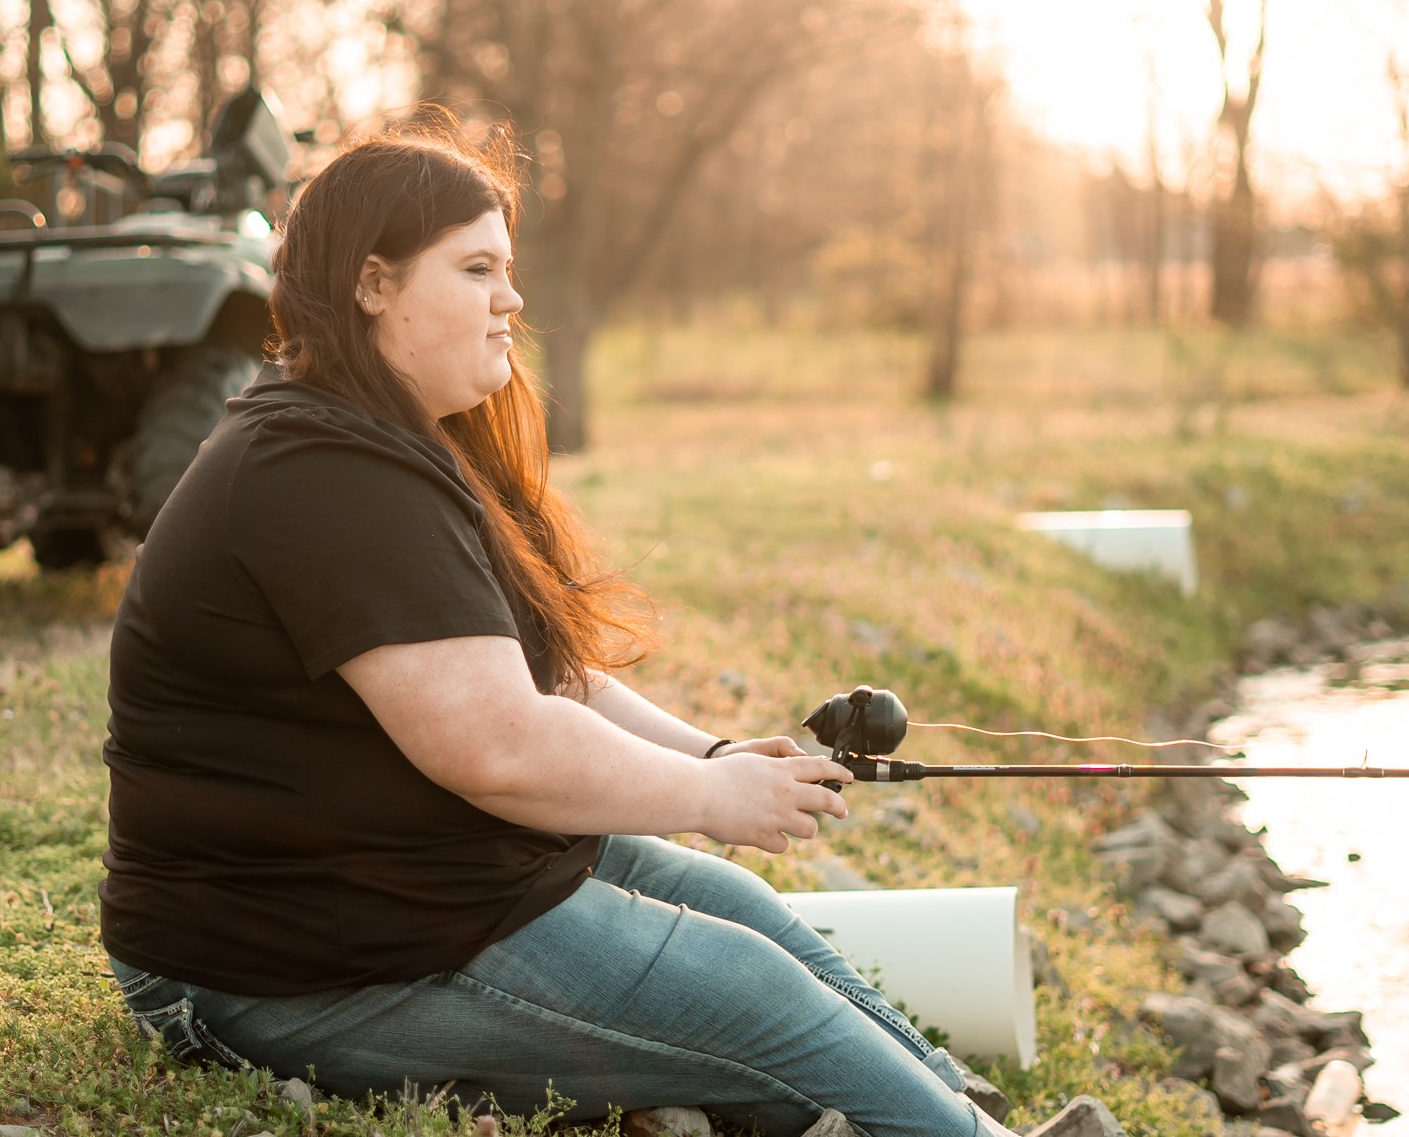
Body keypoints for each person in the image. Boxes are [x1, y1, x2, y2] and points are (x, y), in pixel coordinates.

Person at [100, 118, 1017, 1137]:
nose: (511, 299)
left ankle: (958, 1113)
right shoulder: (319, 472)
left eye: (509, 268)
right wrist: (708, 793)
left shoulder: (378, 443)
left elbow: (550, 680)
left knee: (734, 909)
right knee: (743, 987)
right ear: (372, 284)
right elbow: (494, 745)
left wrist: (709, 753)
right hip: (272, 965)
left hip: (406, 881)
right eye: (477, 268)